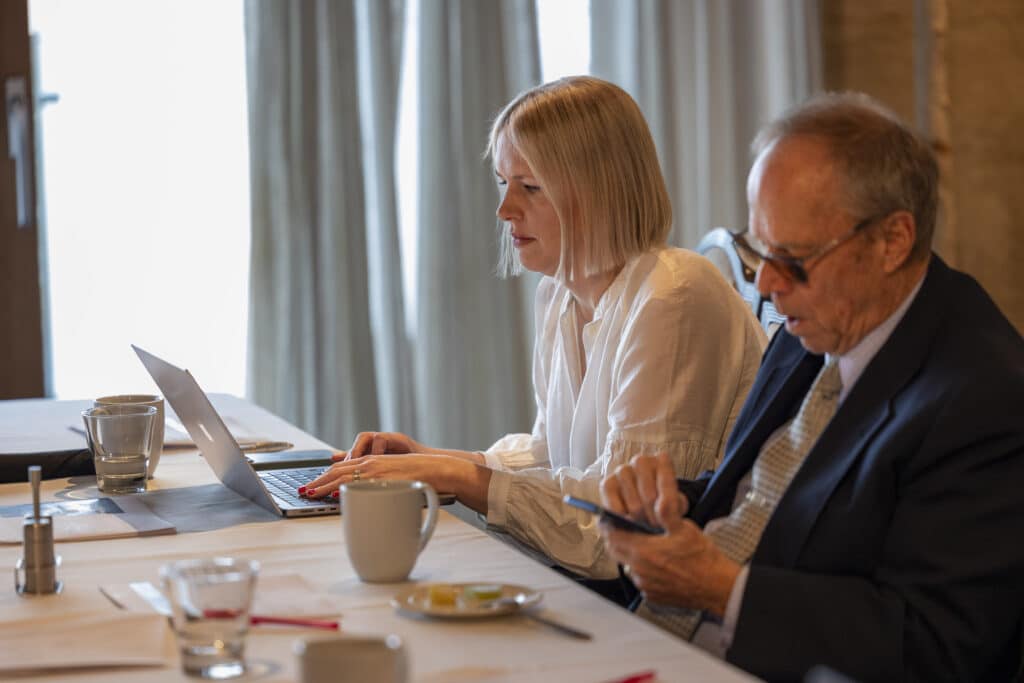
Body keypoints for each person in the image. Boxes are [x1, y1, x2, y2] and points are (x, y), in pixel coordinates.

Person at [598, 91, 1024, 681]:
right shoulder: (815, 323)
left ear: (892, 241)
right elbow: (763, 505)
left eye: (794, 257)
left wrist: (722, 589)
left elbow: (935, 645)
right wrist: (664, 513)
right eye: (761, 250)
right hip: (661, 645)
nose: (768, 285)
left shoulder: (983, 397)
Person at [302, 76, 767, 583]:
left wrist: (457, 476)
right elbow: (554, 456)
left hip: (668, 612)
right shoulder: (561, 294)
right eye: (504, 183)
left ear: (599, 191)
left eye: (531, 187)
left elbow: (620, 536)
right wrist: (433, 460)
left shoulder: (673, 295)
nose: (505, 210)